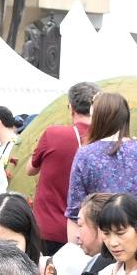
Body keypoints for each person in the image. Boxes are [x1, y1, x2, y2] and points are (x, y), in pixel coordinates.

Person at [62, 91, 137, 236]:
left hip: (102, 239)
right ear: (125, 117)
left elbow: (74, 211)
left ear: (97, 118)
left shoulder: (85, 155)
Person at [29, 82, 95, 249]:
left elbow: (30, 169)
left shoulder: (53, 134)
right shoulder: (107, 141)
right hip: (89, 234)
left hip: (48, 229)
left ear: (71, 108)